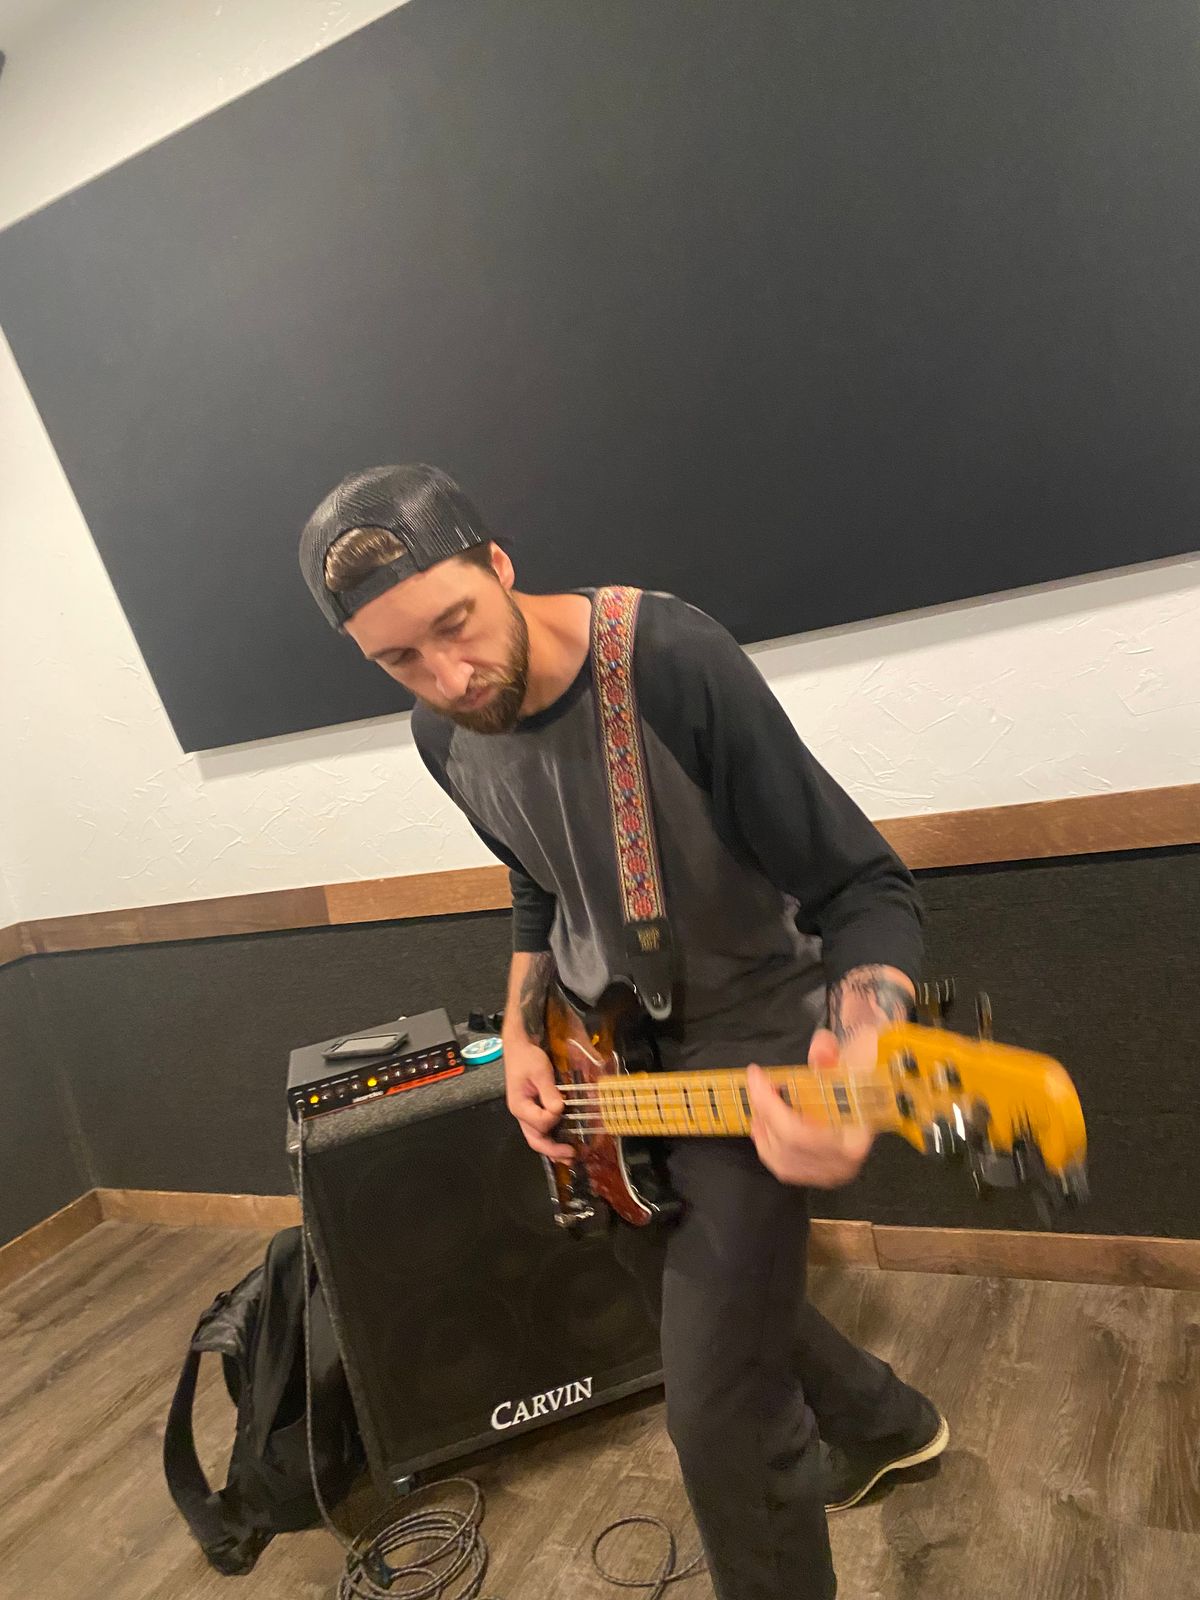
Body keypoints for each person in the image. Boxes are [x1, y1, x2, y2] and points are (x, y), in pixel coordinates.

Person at [299, 464, 948, 1600]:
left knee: (718, 1418)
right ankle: (886, 1423)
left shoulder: (666, 660)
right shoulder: (442, 736)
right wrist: (523, 1035)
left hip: (755, 1047)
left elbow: (865, 888)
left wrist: (860, 1060)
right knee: (714, 1315)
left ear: (500, 564)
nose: (447, 677)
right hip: (602, 1062)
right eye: (400, 659)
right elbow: (536, 879)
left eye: (456, 623)